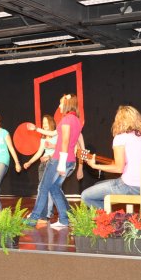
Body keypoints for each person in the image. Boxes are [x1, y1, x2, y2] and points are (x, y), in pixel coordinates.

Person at [81, 105, 141, 210]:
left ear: (118, 120)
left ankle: (113, 217)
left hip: (131, 186)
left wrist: (95, 166)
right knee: (98, 185)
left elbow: (119, 168)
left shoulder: (120, 138)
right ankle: (110, 214)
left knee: (86, 196)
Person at [25, 95, 81, 228]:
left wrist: (61, 163)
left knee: (44, 187)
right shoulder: (76, 120)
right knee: (54, 188)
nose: (59, 106)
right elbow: (55, 133)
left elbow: (65, 141)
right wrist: (36, 129)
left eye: (61, 103)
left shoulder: (67, 119)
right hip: (71, 162)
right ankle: (64, 219)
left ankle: (33, 219)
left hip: (59, 160)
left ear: (67, 104)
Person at [24, 115, 57, 219]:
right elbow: (39, 153)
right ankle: (40, 212)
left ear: (51, 123)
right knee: (41, 189)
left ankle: (46, 212)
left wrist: (49, 157)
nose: (44, 125)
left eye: (46, 122)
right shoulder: (43, 138)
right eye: (43, 123)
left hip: (52, 163)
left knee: (48, 189)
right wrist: (29, 162)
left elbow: (61, 150)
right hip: (43, 165)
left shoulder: (57, 135)